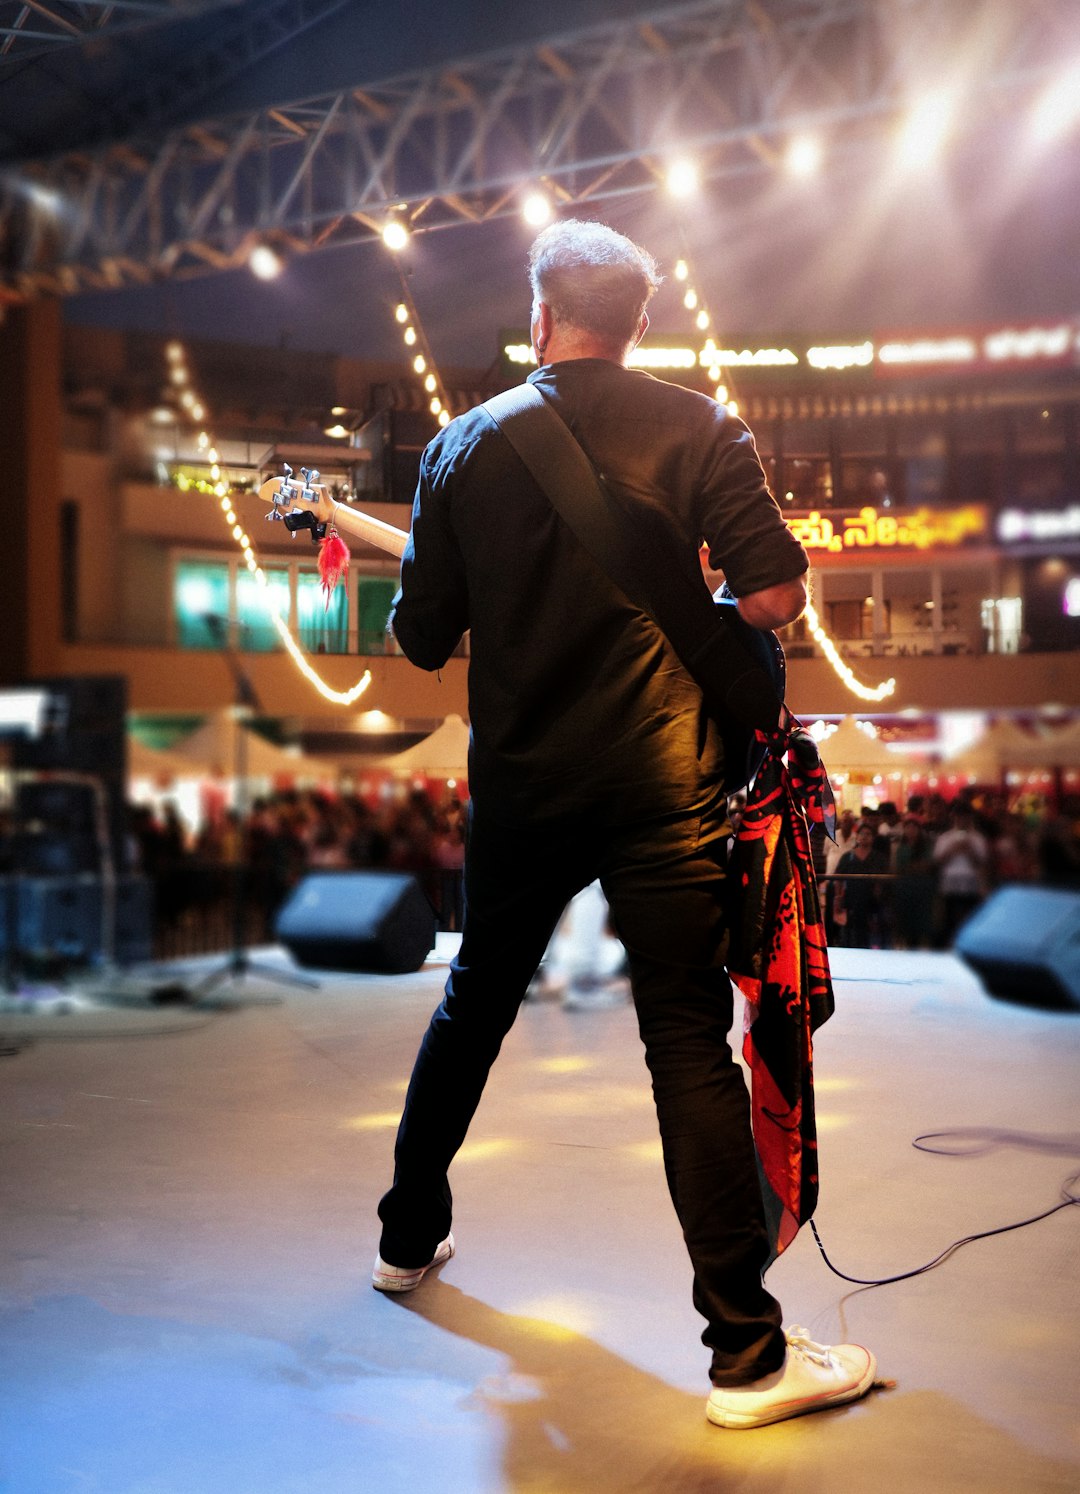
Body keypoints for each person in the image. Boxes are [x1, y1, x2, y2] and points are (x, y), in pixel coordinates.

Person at [371, 219, 877, 1429]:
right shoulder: (701, 426)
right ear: (640, 324)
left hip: (528, 787)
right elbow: (769, 598)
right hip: (666, 786)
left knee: (474, 1000)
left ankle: (405, 1242)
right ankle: (746, 1360)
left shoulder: (460, 446)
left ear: (539, 317)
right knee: (684, 1045)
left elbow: (420, 638)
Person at [832, 821, 890, 947]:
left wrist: (879, 893)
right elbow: (838, 878)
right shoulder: (848, 857)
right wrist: (838, 897)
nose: (864, 836)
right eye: (862, 833)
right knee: (850, 935)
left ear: (873, 838)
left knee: (872, 936)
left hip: (872, 903)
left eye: (868, 834)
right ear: (857, 836)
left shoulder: (879, 857)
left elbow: (884, 879)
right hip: (851, 900)